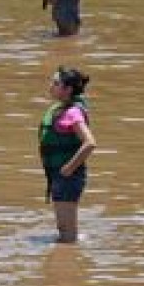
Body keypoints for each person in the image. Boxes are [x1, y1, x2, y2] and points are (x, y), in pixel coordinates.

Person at [39, 67, 96, 243]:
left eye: (56, 83)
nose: (51, 86)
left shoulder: (73, 112)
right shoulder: (62, 109)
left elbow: (90, 143)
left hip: (68, 177)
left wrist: (68, 169)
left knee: (67, 234)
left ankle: (70, 264)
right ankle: (67, 260)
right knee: (63, 230)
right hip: (60, 176)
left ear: (68, 89)